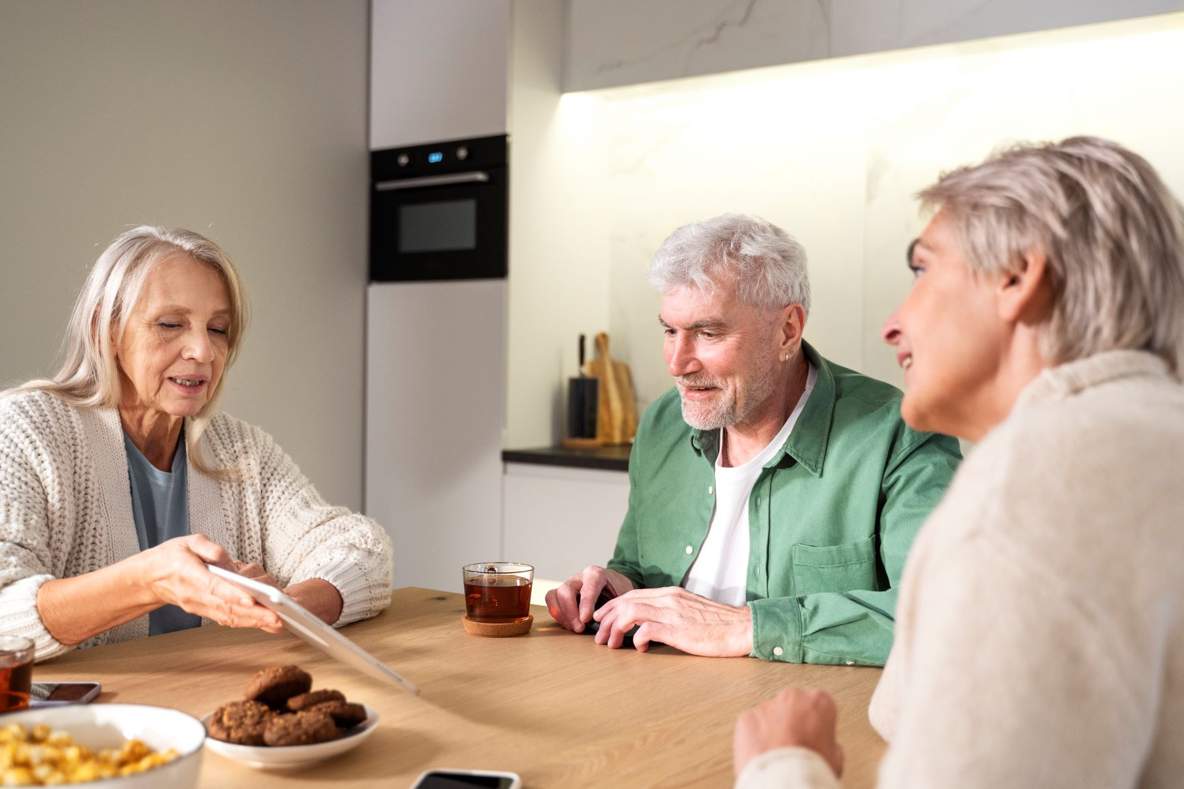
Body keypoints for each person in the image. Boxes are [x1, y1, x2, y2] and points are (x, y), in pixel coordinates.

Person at [733, 137, 1184, 787]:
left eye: (922, 270)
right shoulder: (1154, 439)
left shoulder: (1026, 496)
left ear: (1017, 277)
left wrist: (783, 766)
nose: (893, 325)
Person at [545, 214, 960, 665]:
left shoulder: (899, 435)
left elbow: (942, 616)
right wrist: (614, 590)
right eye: (670, 331)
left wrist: (745, 627)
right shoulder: (664, 423)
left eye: (708, 333)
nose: (678, 363)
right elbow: (638, 568)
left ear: (787, 330)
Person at [0, 226, 392, 662]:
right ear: (105, 330)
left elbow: (360, 548)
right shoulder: (25, 429)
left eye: (218, 329)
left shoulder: (241, 449)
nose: (203, 351)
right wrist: (149, 581)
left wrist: (289, 608)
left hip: (214, 697)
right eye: (170, 325)